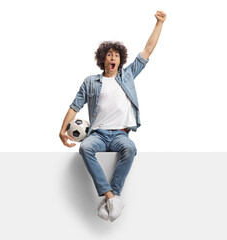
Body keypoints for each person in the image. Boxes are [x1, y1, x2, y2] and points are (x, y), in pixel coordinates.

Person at [59, 10, 166, 222]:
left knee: (130, 149)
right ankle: (112, 197)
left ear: (120, 59)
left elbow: (148, 49)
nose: (113, 57)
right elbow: (75, 105)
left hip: (120, 135)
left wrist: (159, 23)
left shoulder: (127, 75)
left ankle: (113, 196)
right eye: (109, 54)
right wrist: (61, 130)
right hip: (97, 134)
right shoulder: (91, 81)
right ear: (103, 59)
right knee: (85, 148)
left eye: (116, 55)